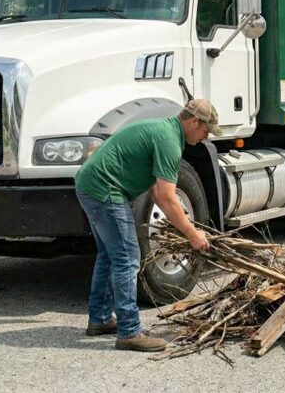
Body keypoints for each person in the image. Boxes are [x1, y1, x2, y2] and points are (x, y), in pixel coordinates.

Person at [74, 99, 219, 351]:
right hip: (106, 191)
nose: (206, 137)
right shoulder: (169, 141)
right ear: (194, 122)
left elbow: (156, 189)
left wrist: (186, 226)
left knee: (109, 255)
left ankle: (100, 318)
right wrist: (192, 234)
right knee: (128, 258)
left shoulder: (163, 130)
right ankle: (129, 332)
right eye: (206, 130)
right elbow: (165, 196)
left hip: (89, 185)